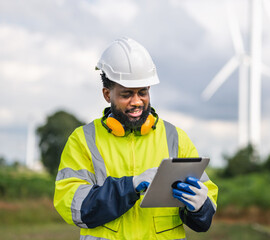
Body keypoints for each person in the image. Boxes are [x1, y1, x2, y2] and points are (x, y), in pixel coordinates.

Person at [54, 37, 218, 240]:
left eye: (143, 92)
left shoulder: (175, 138)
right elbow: (73, 206)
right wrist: (129, 186)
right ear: (107, 94)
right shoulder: (83, 140)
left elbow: (204, 214)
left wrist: (200, 207)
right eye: (126, 94)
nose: (137, 102)